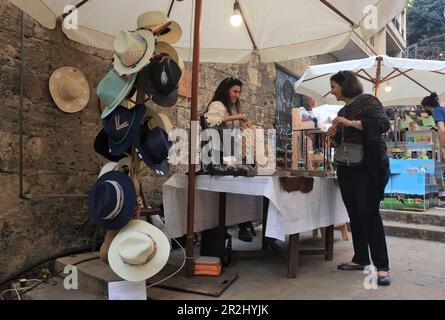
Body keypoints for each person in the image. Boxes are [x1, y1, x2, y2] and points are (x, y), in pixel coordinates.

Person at [327, 70, 391, 286]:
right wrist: (332, 135)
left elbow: (383, 125)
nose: (332, 90)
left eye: (334, 86)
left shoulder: (368, 101)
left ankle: (382, 266)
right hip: (347, 166)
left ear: (344, 85)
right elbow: (338, 142)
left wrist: (350, 122)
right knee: (354, 213)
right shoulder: (342, 109)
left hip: (369, 165)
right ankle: (361, 258)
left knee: (369, 213)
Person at [202, 77, 254, 242]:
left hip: (230, 154)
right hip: (216, 155)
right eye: (234, 91)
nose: (237, 95)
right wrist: (236, 117)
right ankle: (222, 227)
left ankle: (244, 224)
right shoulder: (217, 105)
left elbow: (234, 136)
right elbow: (210, 120)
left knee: (242, 186)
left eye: (239, 92)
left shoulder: (232, 108)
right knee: (225, 191)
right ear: (226, 90)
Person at [421, 92, 445, 161]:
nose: (424, 109)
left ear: (427, 106)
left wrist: (442, 148)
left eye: (424, 107)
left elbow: (442, 130)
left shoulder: (436, 111)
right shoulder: (442, 109)